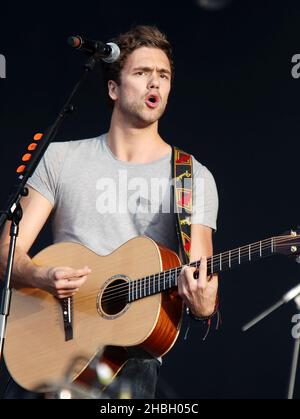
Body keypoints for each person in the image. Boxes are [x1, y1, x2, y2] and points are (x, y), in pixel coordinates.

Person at [0, 25, 219, 399]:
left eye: (163, 76)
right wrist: (40, 275)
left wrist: (203, 305)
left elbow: (204, 282)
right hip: (50, 341)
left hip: (128, 359)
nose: (155, 84)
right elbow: (7, 250)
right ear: (113, 89)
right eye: (142, 73)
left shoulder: (192, 177)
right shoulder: (60, 158)